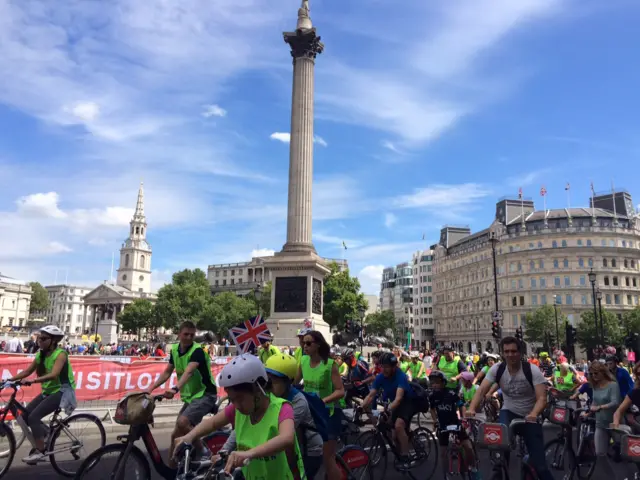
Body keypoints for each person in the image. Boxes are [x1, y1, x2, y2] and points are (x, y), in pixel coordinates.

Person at [176, 354, 304, 478]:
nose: (236, 405)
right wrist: (189, 436)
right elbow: (213, 423)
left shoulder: (282, 408)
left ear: (257, 389)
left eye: (240, 399)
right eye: (232, 399)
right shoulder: (238, 409)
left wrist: (249, 454)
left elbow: (287, 438)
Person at [467, 336, 552, 480]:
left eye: (513, 351)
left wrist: (533, 414)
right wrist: (471, 409)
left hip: (530, 416)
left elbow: (542, 398)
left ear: (520, 353)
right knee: (499, 456)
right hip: (509, 412)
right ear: (502, 353)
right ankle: (500, 469)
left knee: (540, 467)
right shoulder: (497, 369)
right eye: (506, 351)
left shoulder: (532, 370)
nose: (510, 355)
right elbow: (481, 390)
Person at [146, 320, 217, 467]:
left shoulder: (197, 350)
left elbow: (189, 372)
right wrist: (150, 389)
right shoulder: (175, 350)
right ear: (179, 334)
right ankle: (171, 470)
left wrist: (175, 389)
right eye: (186, 334)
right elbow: (167, 372)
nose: (189, 337)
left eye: (192, 335)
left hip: (206, 394)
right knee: (175, 435)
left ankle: (203, 450)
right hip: (193, 397)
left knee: (183, 422)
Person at [7, 325, 76, 464]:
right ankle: (46, 433)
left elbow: (54, 374)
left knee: (33, 417)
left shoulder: (60, 354)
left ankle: (40, 451)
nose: (39, 341)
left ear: (53, 340)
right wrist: (8, 380)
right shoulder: (41, 354)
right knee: (25, 415)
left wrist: (33, 381)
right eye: (39, 338)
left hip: (62, 391)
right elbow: (27, 371)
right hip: (49, 391)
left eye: (43, 339)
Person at [295, 330, 344, 480]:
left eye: (309, 343)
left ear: (318, 345)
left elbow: (340, 391)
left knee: (327, 459)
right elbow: (294, 385)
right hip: (310, 413)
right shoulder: (303, 361)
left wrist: (323, 401)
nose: (305, 346)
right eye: (303, 342)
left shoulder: (330, 364)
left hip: (328, 413)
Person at [361, 352, 415, 465]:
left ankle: (405, 456)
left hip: (407, 402)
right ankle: (401, 449)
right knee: (394, 436)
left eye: (386, 367)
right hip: (394, 403)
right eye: (382, 366)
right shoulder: (380, 376)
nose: (383, 369)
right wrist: (361, 407)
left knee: (399, 426)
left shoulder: (401, 376)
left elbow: (399, 399)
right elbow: (371, 395)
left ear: (394, 367)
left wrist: (387, 410)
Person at [429, 371, 481, 480]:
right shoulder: (432, 396)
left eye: (437, 382)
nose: (434, 385)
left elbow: (461, 405)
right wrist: (435, 421)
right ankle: (447, 474)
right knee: (443, 453)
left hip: (455, 423)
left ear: (443, 383)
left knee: (468, 447)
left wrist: (463, 418)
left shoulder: (451, 393)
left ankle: (473, 467)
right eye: (432, 382)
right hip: (442, 426)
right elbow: (432, 409)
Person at [583, 360, 620, 477]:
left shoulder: (613, 385)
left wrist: (600, 407)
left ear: (603, 372)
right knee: (600, 454)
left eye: (596, 373)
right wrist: (588, 413)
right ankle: (613, 478)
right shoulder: (595, 386)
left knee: (626, 455)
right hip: (600, 424)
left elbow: (615, 402)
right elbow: (595, 401)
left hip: (615, 425)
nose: (594, 376)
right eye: (592, 374)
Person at [612, 361, 640, 432]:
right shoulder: (634, 393)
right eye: (639, 373)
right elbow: (618, 411)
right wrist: (616, 424)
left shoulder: (623, 372)